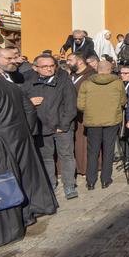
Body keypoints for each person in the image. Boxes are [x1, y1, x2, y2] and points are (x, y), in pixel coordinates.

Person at [0, 58, 57, 248]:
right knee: (23, 178)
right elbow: (29, 109)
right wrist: (27, 132)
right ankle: (29, 214)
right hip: (20, 138)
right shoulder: (7, 84)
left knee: (4, 184)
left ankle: (11, 228)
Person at [22, 54, 78, 200]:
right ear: (35, 68)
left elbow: (71, 105)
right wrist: (29, 102)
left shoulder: (64, 81)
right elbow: (20, 102)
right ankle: (50, 183)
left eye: (52, 66)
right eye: (44, 66)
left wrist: (63, 125)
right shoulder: (28, 83)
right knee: (46, 157)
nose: (49, 69)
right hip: (41, 127)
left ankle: (69, 185)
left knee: (66, 156)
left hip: (62, 127)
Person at [77, 59, 127, 190]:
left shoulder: (86, 83)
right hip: (112, 120)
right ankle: (105, 179)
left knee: (92, 151)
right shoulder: (118, 83)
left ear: (97, 69)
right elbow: (123, 101)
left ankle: (91, 181)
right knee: (108, 150)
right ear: (110, 70)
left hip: (93, 121)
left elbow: (80, 106)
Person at [66, 52, 95, 177]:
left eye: (70, 60)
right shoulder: (71, 75)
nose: (67, 62)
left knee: (83, 142)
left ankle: (85, 167)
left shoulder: (91, 75)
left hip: (85, 114)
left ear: (80, 61)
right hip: (71, 114)